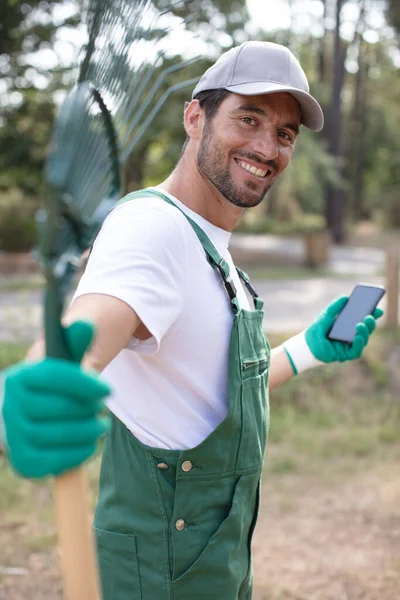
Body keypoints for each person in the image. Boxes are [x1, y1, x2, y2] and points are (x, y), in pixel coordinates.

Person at [2, 41, 382, 600]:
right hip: (159, 572)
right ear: (195, 117)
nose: (266, 146)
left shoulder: (211, 242)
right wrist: (35, 389)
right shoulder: (153, 228)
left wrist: (310, 349)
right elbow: (88, 328)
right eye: (248, 119)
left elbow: (207, 390)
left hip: (215, 559)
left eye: (283, 134)